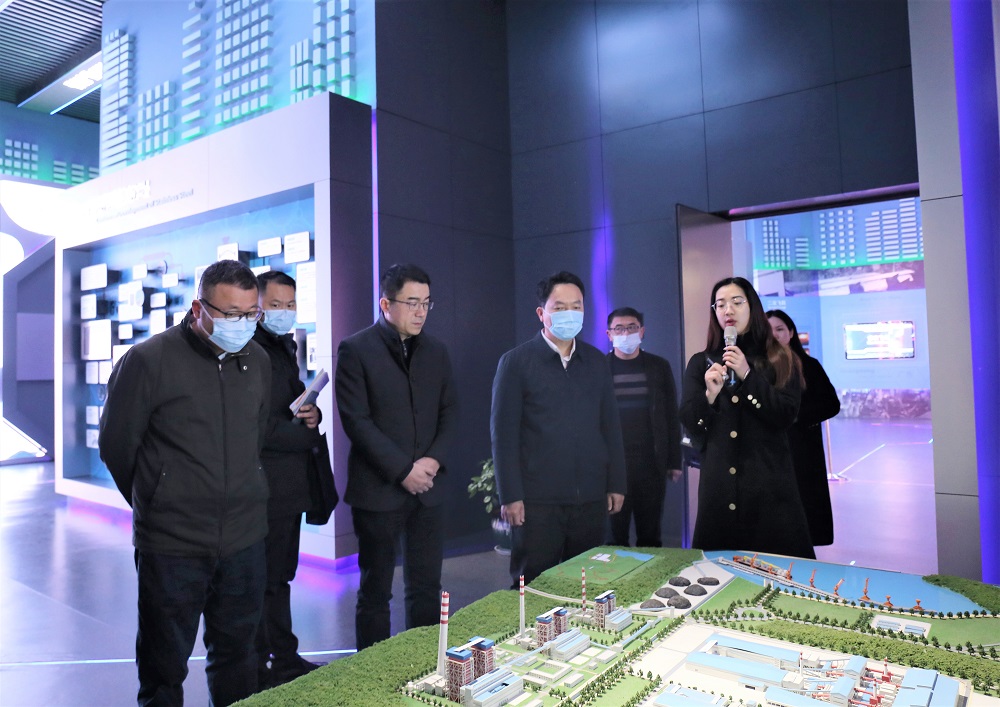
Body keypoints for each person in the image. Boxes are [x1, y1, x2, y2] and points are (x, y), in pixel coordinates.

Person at [98, 259, 271, 706]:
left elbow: (258, 436)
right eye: (230, 314)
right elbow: (117, 446)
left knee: (238, 658)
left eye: (251, 314)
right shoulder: (148, 360)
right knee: (163, 668)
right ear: (198, 309)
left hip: (245, 539)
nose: (242, 324)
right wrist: (160, 501)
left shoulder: (258, 360)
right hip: (172, 545)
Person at [334, 264, 458, 651]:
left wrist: (432, 461)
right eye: (412, 303)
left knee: (426, 586)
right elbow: (357, 421)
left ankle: (425, 664)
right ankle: (373, 670)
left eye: (426, 303)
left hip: (429, 489)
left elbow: (450, 412)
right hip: (379, 491)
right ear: (386, 304)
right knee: (376, 591)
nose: (421, 312)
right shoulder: (356, 349)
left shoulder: (436, 351)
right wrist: (404, 470)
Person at [491, 271, 627, 586]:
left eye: (576, 307)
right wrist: (510, 495)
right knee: (535, 586)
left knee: (588, 585)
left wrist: (616, 483)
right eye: (560, 307)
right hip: (537, 503)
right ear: (542, 313)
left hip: (590, 499)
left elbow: (610, 427)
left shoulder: (596, 362)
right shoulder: (516, 363)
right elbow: (503, 436)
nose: (570, 313)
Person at [679, 276, 815, 559]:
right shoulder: (701, 362)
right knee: (717, 573)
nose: (728, 310)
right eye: (720, 304)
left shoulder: (780, 358)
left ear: (752, 307)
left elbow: (785, 415)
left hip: (769, 489)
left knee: (777, 572)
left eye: (737, 302)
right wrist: (709, 396)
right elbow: (691, 425)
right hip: (719, 491)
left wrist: (748, 376)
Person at [252, 270, 325, 687]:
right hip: (265, 488)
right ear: (258, 306)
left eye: (290, 304)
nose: (284, 312)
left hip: (290, 486)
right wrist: (305, 435)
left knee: (280, 577)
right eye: (275, 305)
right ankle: (261, 667)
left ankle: (284, 659)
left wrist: (311, 412)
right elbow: (259, 427)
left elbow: (289, 403)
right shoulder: (251, 350)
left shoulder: (284, 346)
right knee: (264, 581)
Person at [605, 307, 682, 548]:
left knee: (650, 535)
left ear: (642, 331)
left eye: (631, 328)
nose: (625, 333)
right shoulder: (600, 368)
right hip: (613, 466)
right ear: (609, 334)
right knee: (613, 536)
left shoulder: (659, 366)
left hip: (651, 463)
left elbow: (671, 415)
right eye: (619, 328)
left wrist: (674, 461)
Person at [766, 309, 841, 547]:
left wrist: (797, 417)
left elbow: (831, 404)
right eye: (769, 330)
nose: (774, 335)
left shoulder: (809, 365)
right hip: (769, 453)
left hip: (803, 451)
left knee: (805, 517)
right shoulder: (757, 368)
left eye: (780, 329)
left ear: (791, 333)